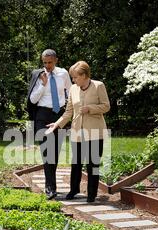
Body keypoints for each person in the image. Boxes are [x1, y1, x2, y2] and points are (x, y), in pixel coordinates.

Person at [46, 61, 110, 202]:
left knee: (92, 164)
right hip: (77, 132)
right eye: (72, 77)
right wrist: (56, 124)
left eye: (75, 77)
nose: (73, 80)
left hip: (94, 131)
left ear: (84, 75)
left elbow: (106, 106)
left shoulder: (98, 86)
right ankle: (74, 190)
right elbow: (68, 112)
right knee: (76, 163)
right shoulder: (73, 89)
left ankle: (91, 194)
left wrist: (90, 109)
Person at [26, 49, 72, 200]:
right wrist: (43, 85)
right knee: (47, 152)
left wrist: (68, 108)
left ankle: (51, 185)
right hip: (42, 116)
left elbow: (70, 92)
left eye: (50, 62)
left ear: (56, 60)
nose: (47, 66)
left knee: (55, 152)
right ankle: (50, 188)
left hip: (58, 115)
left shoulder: (63, 73)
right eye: (44, 63)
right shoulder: (38, 75)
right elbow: (32, 100)